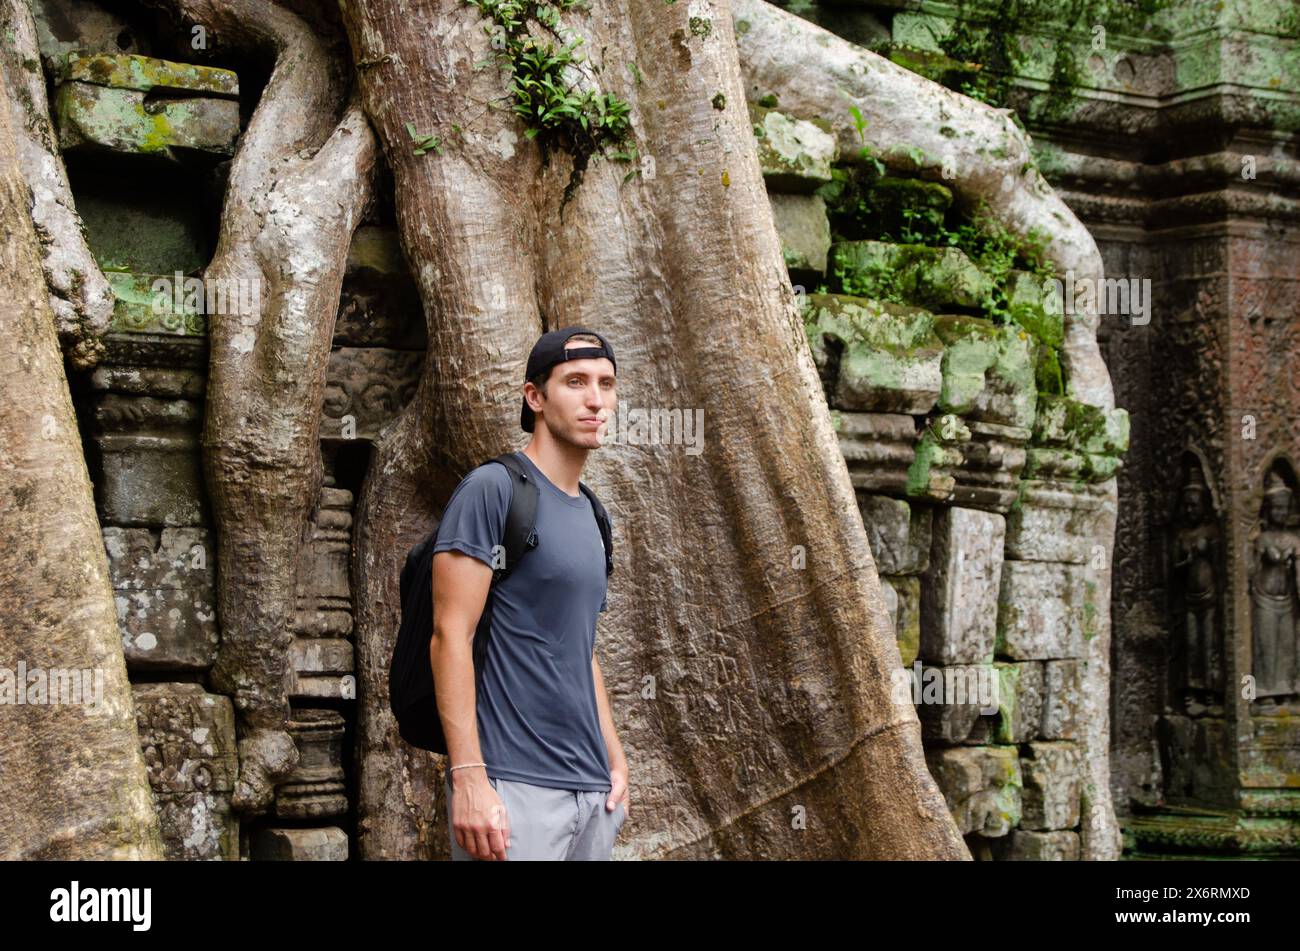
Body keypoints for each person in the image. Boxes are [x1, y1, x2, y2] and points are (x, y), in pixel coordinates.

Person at [431, 327, 629, 860]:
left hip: (593, 793)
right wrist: (469, 778)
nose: (596, 399)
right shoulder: (492, 490)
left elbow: (580, 647)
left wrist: (614, 757)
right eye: (576, 382)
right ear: (534, 397)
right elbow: (451, 633)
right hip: (513, 788)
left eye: (606, 384)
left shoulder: (593, 513)